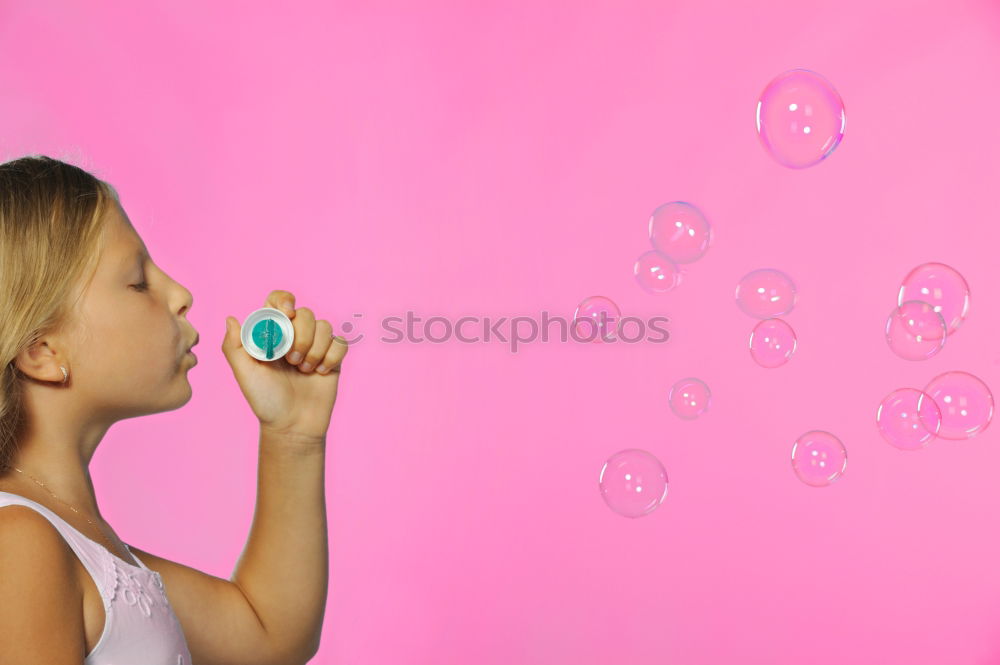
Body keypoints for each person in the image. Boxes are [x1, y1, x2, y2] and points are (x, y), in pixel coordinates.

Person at [0, 155, 349, 664]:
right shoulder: (20, 546)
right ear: (42, 351)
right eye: (138, 281)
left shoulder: (75, 539)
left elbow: (269, 635)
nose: (181, 295)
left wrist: (293, 434)